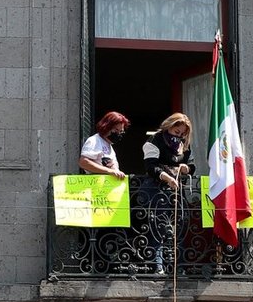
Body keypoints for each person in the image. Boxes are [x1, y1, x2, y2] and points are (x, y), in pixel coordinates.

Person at [140, 114, 196, 273]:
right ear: (168, 126)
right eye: (176, 131)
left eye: (181, 134)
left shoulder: (184, 144)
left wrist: (186, 168)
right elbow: (150, 166)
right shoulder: (154, 140)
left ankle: (178, 267)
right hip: (155, 189)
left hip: (176, 191)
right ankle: (157, 266)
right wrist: (166, 177)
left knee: (179, 228)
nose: (178, 136)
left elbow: (191, 165)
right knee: (158, 227)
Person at [79, 111, 131, 179]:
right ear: (106, 127)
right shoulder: (94, 141)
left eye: (121, 131)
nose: (118, 134)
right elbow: (83, 162)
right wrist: (110, 171)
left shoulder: (109, 145)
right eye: (116, 130)